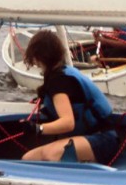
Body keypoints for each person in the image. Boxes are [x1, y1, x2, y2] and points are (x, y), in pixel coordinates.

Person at [21, 30, 120, 164]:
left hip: (103, 139)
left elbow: (68, 123)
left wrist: (38, 129)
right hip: (88, 138)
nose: (34, 62)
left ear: (40, 56)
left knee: (49, 154)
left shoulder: (60, 81)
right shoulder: (62, 72)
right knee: (27, 159)